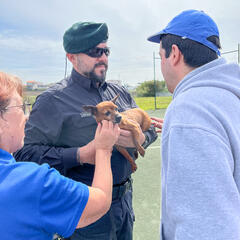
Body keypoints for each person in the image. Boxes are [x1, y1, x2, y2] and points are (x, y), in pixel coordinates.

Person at [14, 22, 158, 239]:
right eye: (94, 51)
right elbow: (25, 155)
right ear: (71, 57)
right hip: (83, 210)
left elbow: (149, 128)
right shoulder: (52, 100)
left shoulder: (119, 91)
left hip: (124, 204)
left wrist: (137, 139)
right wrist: (80, 155)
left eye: (105, 51)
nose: (103, 57)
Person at [148, 9, 240, 240]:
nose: (162, 65)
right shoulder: (230, 96)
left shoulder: (189, 110)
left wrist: (185, 127)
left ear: (175, 54)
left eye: (161, 56)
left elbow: (207, 229)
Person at [0, 72, 120, 240]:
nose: (27, 117)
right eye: (21, 108)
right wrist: (103, 149)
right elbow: (101, 200)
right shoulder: (33, 182)